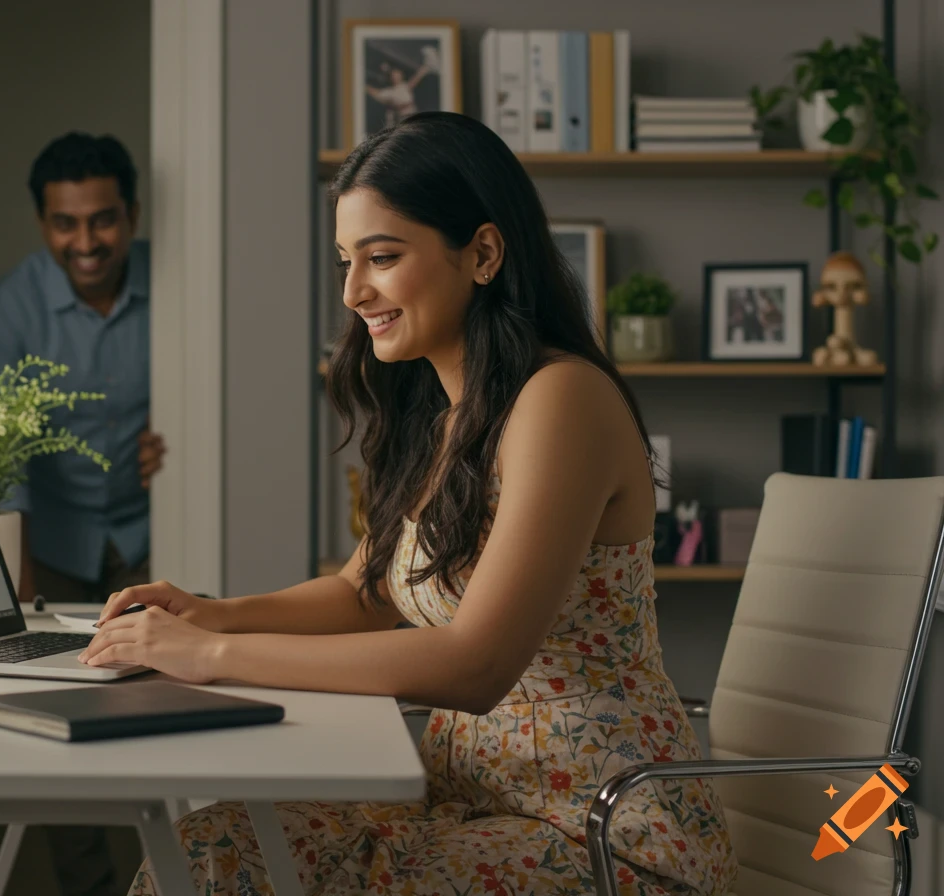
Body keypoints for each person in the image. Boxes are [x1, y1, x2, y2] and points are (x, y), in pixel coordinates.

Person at [78, 113, 737, 896]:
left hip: (596, 831)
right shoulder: (444, 413)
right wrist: (209, 614)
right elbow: (365, 594)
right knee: (212, 847)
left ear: (483, 253)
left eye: (382, 258)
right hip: (464, 799)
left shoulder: (562, 400)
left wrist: (211, 657)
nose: (354, 292)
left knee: (243, 869)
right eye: (346, 262)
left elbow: (475, 665)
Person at [0, 132, 165, 607]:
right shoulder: (11, 305)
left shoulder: (177, 282)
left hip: (155, 534)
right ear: (42, 224)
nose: (85, 243)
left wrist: (176, 436)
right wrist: (17, 582)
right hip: (51, 548)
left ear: (132, 216)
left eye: (102, 221)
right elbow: (5, 455)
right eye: (65, 224)